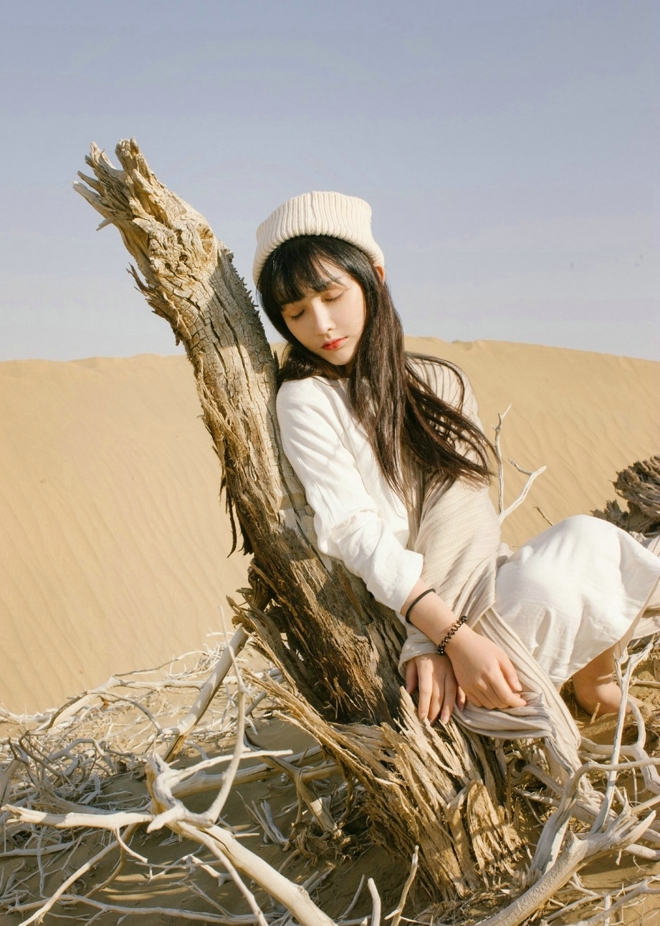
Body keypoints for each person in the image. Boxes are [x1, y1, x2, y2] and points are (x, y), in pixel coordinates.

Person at [253, 191, 660, 727]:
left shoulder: (438, 382)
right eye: (297, 313)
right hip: (402, 618)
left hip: (467, 592)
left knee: (589, 538)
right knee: (546, 591)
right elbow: (355, 532)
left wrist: (444, 638)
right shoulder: (307, 398)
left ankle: (593, 681)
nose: (321, 324)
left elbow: (461, 510)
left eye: (332, 296)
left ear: (374, 277)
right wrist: (437, 635)